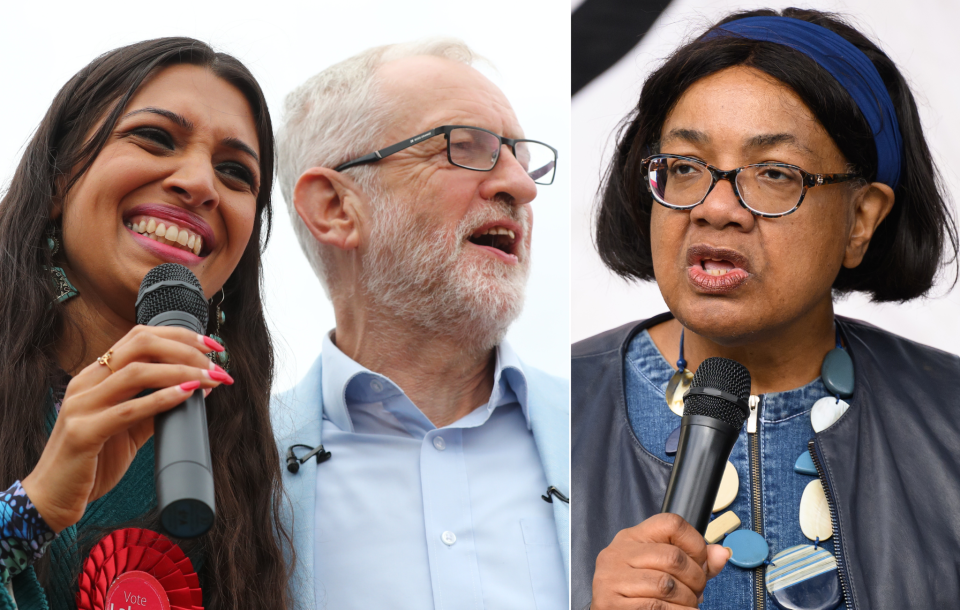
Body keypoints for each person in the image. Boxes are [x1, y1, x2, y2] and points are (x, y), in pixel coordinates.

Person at [572, 8, 960, 610]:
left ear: (861, 219)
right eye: (683, 167)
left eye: (774, 173)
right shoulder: (546, 413)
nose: (716, 208)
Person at [272, 39, 569, 609]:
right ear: (335, 207)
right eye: (465, 148)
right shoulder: (234, 465)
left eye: (523, 162)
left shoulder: (606, 433)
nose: (523, 188)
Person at [0, 38, 289, 610]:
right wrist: (28, 513)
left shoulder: (244, 457)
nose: (201, 183)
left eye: (235, 173)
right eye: (155, 138)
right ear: (58, 181)